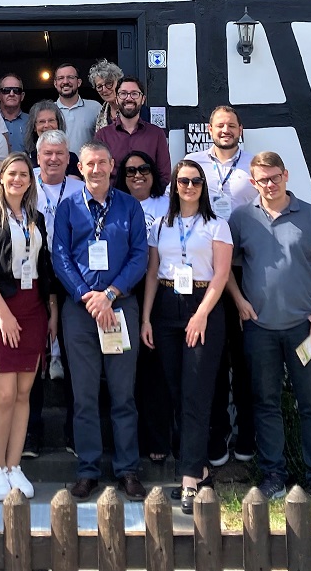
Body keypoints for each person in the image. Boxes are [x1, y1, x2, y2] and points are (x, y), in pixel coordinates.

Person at [227, 151, 311, 502]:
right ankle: (273, 475)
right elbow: (224, 266)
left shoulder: (310, 215)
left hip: (305, 327)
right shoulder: (242, 218)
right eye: (262, 180)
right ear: (253, 182)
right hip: (259, 328)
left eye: (275, 177)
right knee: (266, 403)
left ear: (286, 175)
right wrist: (240, 301)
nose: (269, 185)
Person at [51, 141, 148, 501]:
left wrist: (109, 294)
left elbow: (140, 256)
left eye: (102, 163)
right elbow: (59, 256)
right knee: (84, 396)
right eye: (89, 164)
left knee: (124, 395)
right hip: (80, 311)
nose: (95, 170)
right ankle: (88, 470)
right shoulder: (67, 208)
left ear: (112, 166)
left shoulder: (129, 207)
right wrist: (86, 295)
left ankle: (128, 470)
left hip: (120, 306)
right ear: (81, 169)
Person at [141, 159, 233, 512]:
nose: (189, 186)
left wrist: (201, 315)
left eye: (195, 181)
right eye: (183, 180)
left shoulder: (217, 226)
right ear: (174, 186)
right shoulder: (161, 225)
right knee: (176, 391)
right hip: (165, 305)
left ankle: (190, 477)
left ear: (203, 186)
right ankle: (200, 466)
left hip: (202, 306)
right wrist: (147, 317)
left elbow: (221, 275)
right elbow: (151, 274)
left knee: (196, 392)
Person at [0, 153, 57, 501]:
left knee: (23, 394)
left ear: (30, 181)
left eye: (24, 174)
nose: (18, 179)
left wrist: (51, 310)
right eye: (12, 174)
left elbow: (43, 266)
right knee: (2, 394)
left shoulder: (35, 218)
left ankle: (14, 464)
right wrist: (4, 313)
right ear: (1, 179)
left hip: (33, 307)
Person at [183, 105, 257, 467]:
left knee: (244, 356)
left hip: (244, 270)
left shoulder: (254, 166)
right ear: (209, 129)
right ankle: (216, 431)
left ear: (240, 129)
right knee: (209, 356)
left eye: (231, 125)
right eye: (219, 125)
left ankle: (246, 432)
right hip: (204, 275)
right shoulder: (193, 163)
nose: (225, 130)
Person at [23, 128, 85, 459]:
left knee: (76, 357)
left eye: (60, 153)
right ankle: (30, 432)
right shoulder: (24, 181)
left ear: (69, 156)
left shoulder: (80, 186)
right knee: (33, 357)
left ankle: (75, 432)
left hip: (72, 276)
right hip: (31, 275)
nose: (53, 159)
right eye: (47, 153)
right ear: (37, 155)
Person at [116, 150, 174, 463]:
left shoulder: (167, 204)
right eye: (130, 171)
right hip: (124, 289)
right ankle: (126, 442)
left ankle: (157, 439)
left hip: (158, 291)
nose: (138, 175)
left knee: (155, 369)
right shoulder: (116, 204)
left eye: (144, 169)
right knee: (123, 369)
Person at [94, 76, 171, 187]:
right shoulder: (103, 135)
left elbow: (164, 175)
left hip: (148, 201)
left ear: (143, 99)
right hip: (114, 200)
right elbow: (99, 172)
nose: (129, 98)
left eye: (134, 94)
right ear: (117, 99)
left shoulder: (157, 134)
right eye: (123, 93)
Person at [53, 64, 102, 155]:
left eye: (70, 77)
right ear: (55, 84)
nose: (65, 81)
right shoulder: (49, 110)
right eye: (60, 78)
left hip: (88, 167)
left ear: (79, 82)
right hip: (58, 167)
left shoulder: (95, 107)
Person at [25, 101, 79, 179]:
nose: (47, 125)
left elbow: (73, 187)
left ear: (58, 124)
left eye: (51, 120)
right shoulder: (27, 159)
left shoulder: (72, 158)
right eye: (42, 121)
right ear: (34, 127)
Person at [89, 59, 124, 132]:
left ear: (118, 83)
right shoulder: (101, 113)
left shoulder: (133, 109)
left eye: (109, 84)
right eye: (99, 86)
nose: (104, 90)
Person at [0, 74, 29, 151]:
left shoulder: (32, 121)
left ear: (22, 96)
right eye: (6, 90)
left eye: (16, 90)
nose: (11, 94)